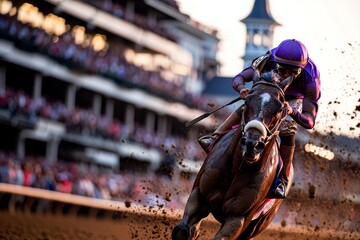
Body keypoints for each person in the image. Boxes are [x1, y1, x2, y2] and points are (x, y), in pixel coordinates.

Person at [199, 39, 321, 199]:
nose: (285, 76)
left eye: (292, 73)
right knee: (249, 107)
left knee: (287, 127)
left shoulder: (311, 79)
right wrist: (242, 89)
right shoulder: (268, 59)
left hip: (291, 100)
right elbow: (239, 77)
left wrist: (292, 111)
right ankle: (214, 138)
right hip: (270, 90)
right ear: (276, 62)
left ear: (301, 70)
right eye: (283, 69)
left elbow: (310, 120)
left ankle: (282, 179)